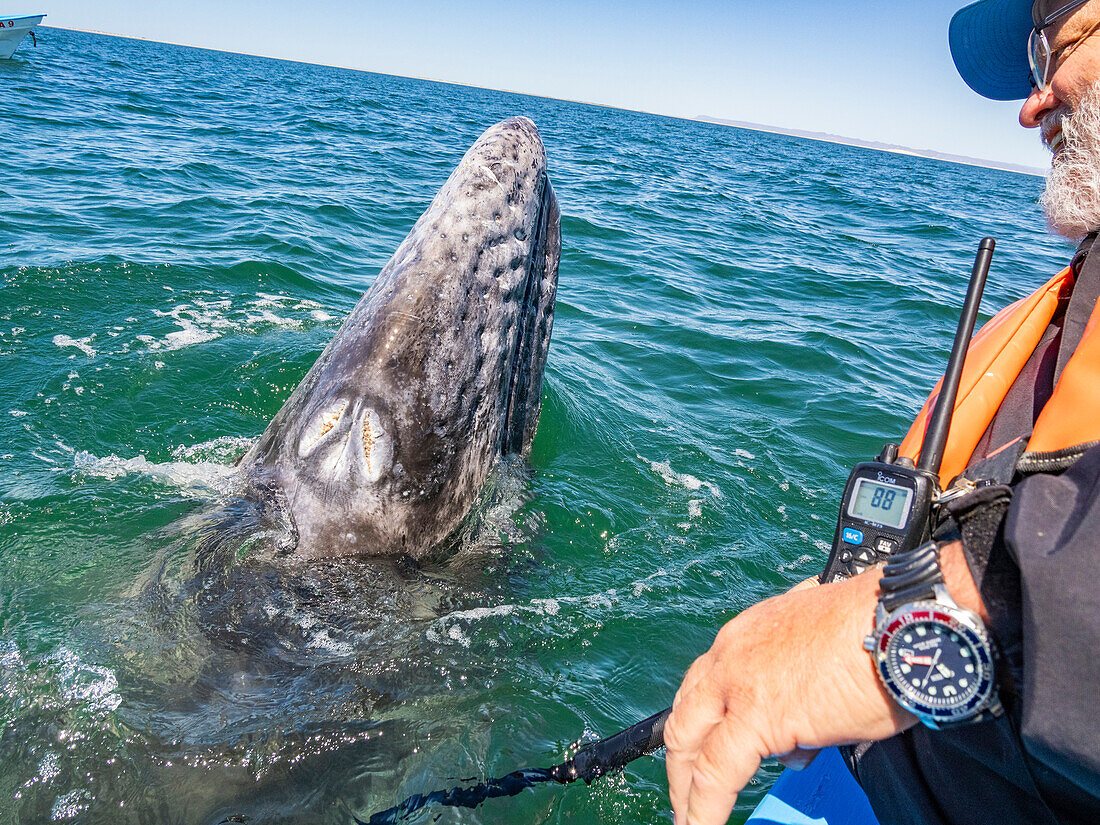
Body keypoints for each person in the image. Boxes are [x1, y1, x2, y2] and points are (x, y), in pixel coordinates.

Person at [664, 2, 1100, 824]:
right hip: (879, 772)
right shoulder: (1068, 310)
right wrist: (824, 626)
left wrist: (900, 637)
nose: (1032, 104)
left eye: (1056, 50)